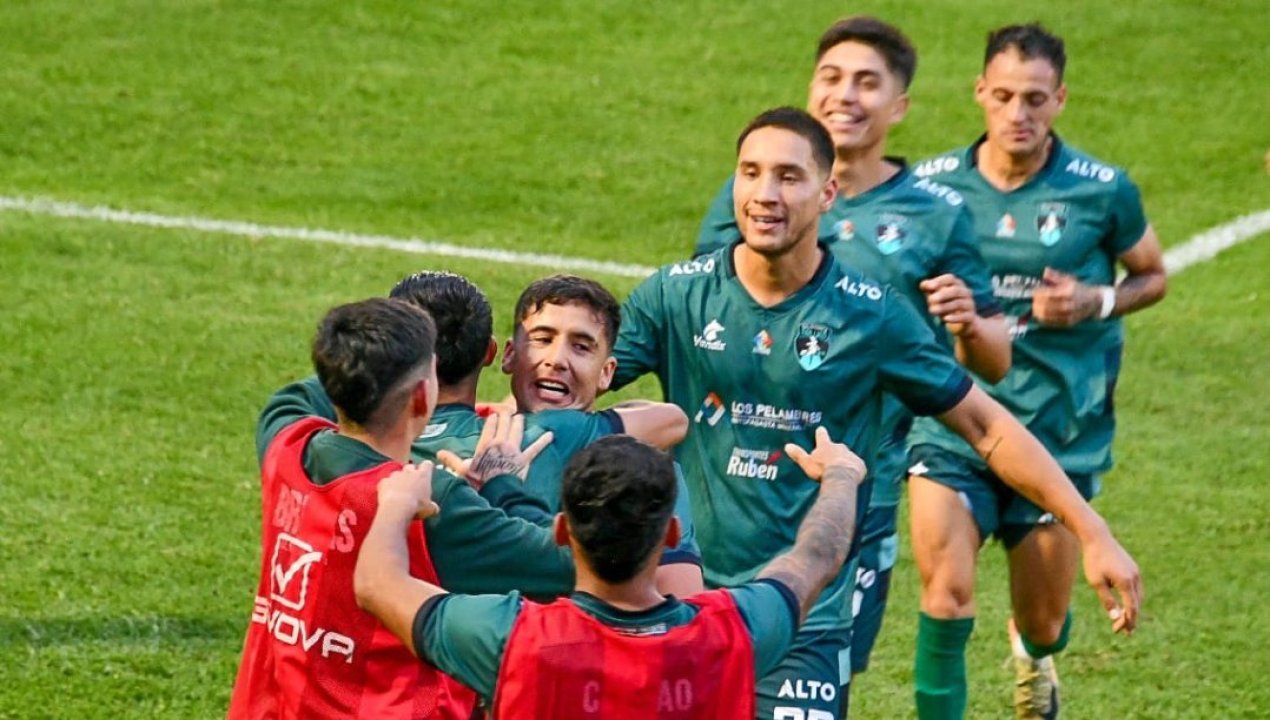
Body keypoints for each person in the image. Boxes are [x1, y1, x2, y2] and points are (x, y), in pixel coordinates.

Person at [612, 106, 1141, 719]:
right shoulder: (676, 294)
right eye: (750, 172)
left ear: (828, 194)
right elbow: (573, 378)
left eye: (789, 176)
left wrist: (1092, 531)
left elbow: (987, 426)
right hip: (683, 603)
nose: (765, 193)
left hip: (804, 618)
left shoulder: (871, 316)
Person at [696, 17, 1011, 699]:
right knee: (729, 664)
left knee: (826, 665)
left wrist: (967, 322)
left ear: (899, 106)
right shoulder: (752, 195)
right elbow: (705, 315)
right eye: (832, 77)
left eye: (867, 83)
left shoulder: (937, 214)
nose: (845, 95)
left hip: (861, 484)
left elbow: (994, 363)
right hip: (738, 479)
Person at [906, 23, 1166, 719]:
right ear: (979, 93)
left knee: (1044, 619)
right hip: (955, 420)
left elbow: (1152, 275)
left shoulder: (1102, 190)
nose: (1017, 113)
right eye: (1003, 96)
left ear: (1060, 99)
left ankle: (1034, 653)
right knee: (945, 593)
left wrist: (1095, 300)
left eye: (1035, 98)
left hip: (1057, 428)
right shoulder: (930, 189)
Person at [226, 298, 573, 720]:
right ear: (422, 398)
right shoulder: (429, 502)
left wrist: (377, 339)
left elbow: (298, 394)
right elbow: (565, 564)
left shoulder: (285, 443)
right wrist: (503, 482)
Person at [354, 431, 864, 717]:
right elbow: (817, 556)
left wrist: (396, 503)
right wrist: (842, 475)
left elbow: (377, 584)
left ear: (560, 531)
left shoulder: (510, 638)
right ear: (671, 535)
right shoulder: (736, 631)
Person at [391, 271, 704, 594]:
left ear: (607, 372)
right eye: (542, 340)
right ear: (507, 355)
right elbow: (673, 419)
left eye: (581, 347)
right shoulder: (514, 433)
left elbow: (683, 600)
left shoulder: (644, 473)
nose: (557, 360)